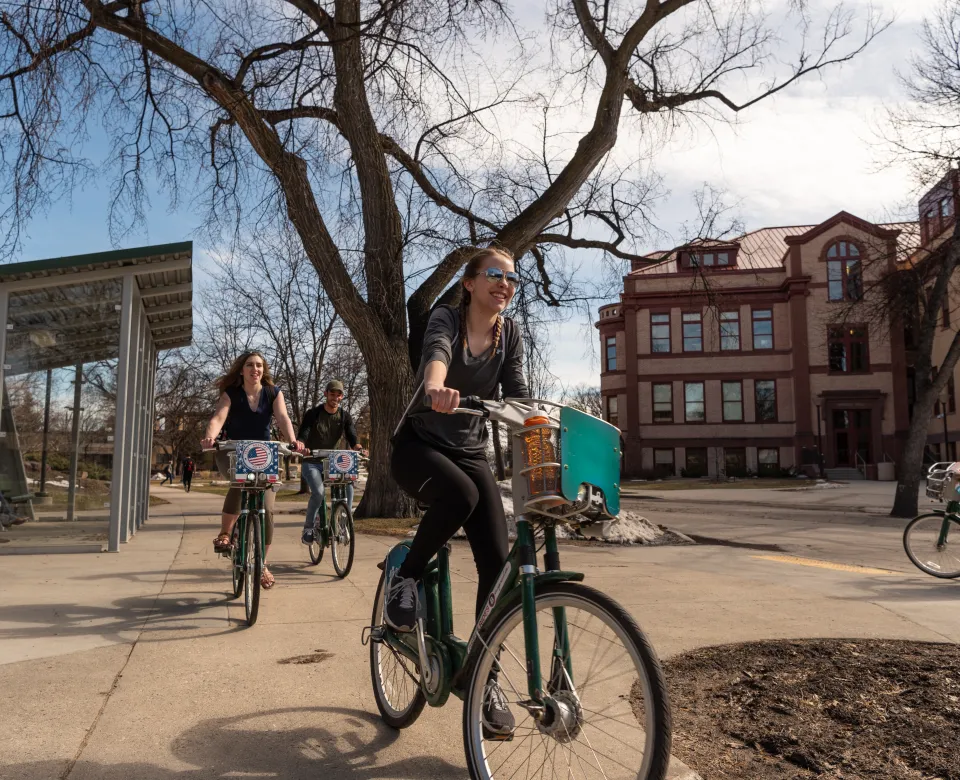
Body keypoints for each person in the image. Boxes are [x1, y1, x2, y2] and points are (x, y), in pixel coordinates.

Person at [385, 246, 528, 739]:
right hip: (419, 445)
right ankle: (406, 576)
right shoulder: (445, 317)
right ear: (469, 283)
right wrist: (436, 389)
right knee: (461, 496)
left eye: (512, 278)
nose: (505, 283)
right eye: (495, 274)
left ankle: (483, 677)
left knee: (499, 563)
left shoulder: (509, 333)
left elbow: (518, 392)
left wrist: (540, 419)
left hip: (470, 452)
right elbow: (437, 358)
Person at [201, 351, 305, 590]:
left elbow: (283, 418)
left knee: (267, 509)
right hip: (232, 452)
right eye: (250, 365)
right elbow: (218, 418)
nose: (255, 369)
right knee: (240, 480)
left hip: (263, 456)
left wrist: (293, 440)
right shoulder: (232, 394)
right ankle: (226, 533)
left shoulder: (273, 393)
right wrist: (209, 438)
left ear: (263, 370)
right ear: (242, 370)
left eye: (259, 365)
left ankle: (262, 563)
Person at [298, 380, 364, 545]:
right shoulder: (313, 413)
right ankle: (308, 528)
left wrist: (357, 446)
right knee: (319, 493)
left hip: (333, 462)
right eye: (332, 393)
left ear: (342, 397)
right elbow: (304, 432)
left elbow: (351, 433)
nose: (335, 397)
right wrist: (301, 444)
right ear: (326, 394)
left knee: (348, 483)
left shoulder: (344, 416)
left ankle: (344, 523)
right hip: (311, 460)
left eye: (338, 394)